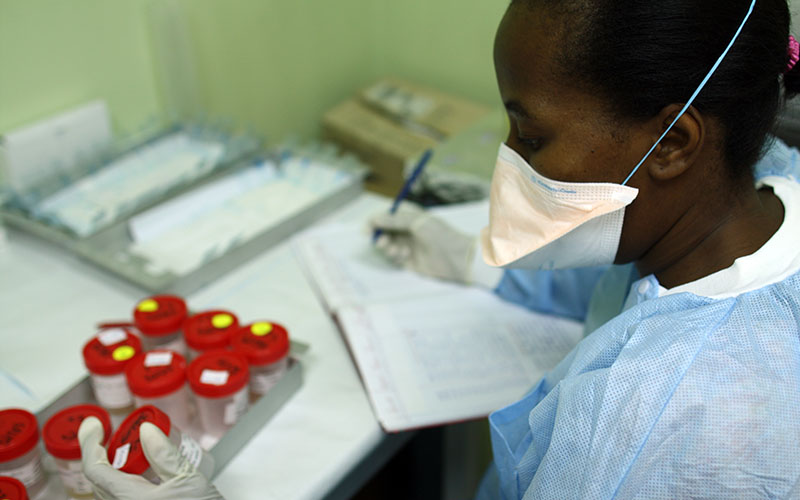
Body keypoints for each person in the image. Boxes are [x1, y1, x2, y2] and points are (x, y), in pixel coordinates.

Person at [78, 0, 800, 498]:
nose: (509, 159)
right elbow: (617, 292)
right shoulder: (762, 192)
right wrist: (473, 263)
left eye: (532, 134)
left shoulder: (665, 429)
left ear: (672, 142)